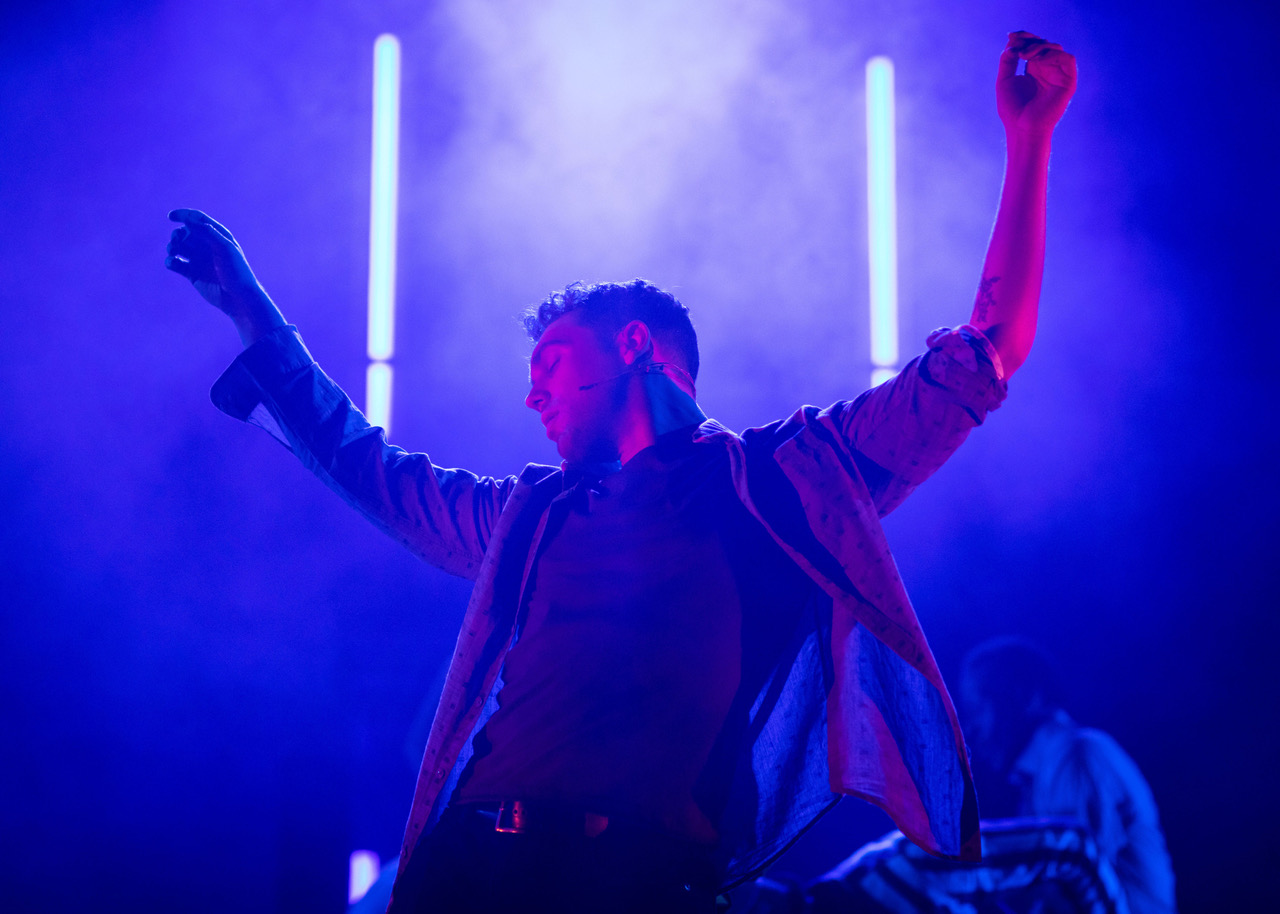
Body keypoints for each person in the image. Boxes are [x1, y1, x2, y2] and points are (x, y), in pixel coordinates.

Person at [165, 31, 1076, 914]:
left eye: (550, 366)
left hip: (641, 881)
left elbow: (984, 356)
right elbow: (370, 467)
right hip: (471, 871)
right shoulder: (532, 513)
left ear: (635, 346)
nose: (534, 400)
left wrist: (1029, 139)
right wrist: (254, 316)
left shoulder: (775, 481)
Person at [958, 638, 1178, 914]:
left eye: (976, 709)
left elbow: (1071, 885)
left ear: (1022, 696)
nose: (970, 730)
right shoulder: (1043, 776)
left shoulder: (1078, 755)